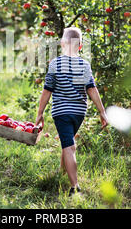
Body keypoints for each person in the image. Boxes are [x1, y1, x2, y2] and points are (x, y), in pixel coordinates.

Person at [36, 27, 108, 196]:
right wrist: (102, 112)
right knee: (67, 142)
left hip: (61, 112)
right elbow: (92, 90)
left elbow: (47, 91)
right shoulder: (84, 65)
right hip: (79, 113)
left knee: (69, 147)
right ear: (80, 46)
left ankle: (75, 187)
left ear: (62, 44)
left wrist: (40, 113)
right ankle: (61, 174)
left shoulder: (55, 64)